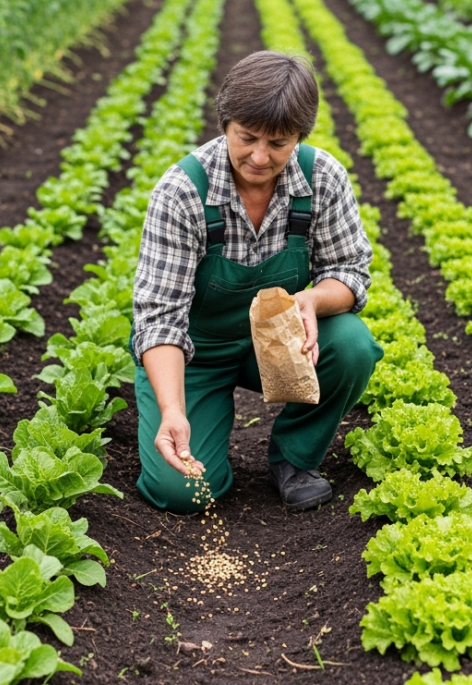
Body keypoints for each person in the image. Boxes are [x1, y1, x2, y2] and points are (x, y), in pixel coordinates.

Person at [130, 50, 382, 514]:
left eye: (279, 143)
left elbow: (350, 272)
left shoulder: (321, 177)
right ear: (225, 123)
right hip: (197, 354)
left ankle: (294, 457)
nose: (260, 157)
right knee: (180, 491)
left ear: (300, 137)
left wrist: (311, 299)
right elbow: (160, 319)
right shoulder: (183, 192)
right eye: (247, 138)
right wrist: (172, 410)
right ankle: (177, 413)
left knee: (350, 344)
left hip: (281, 342)